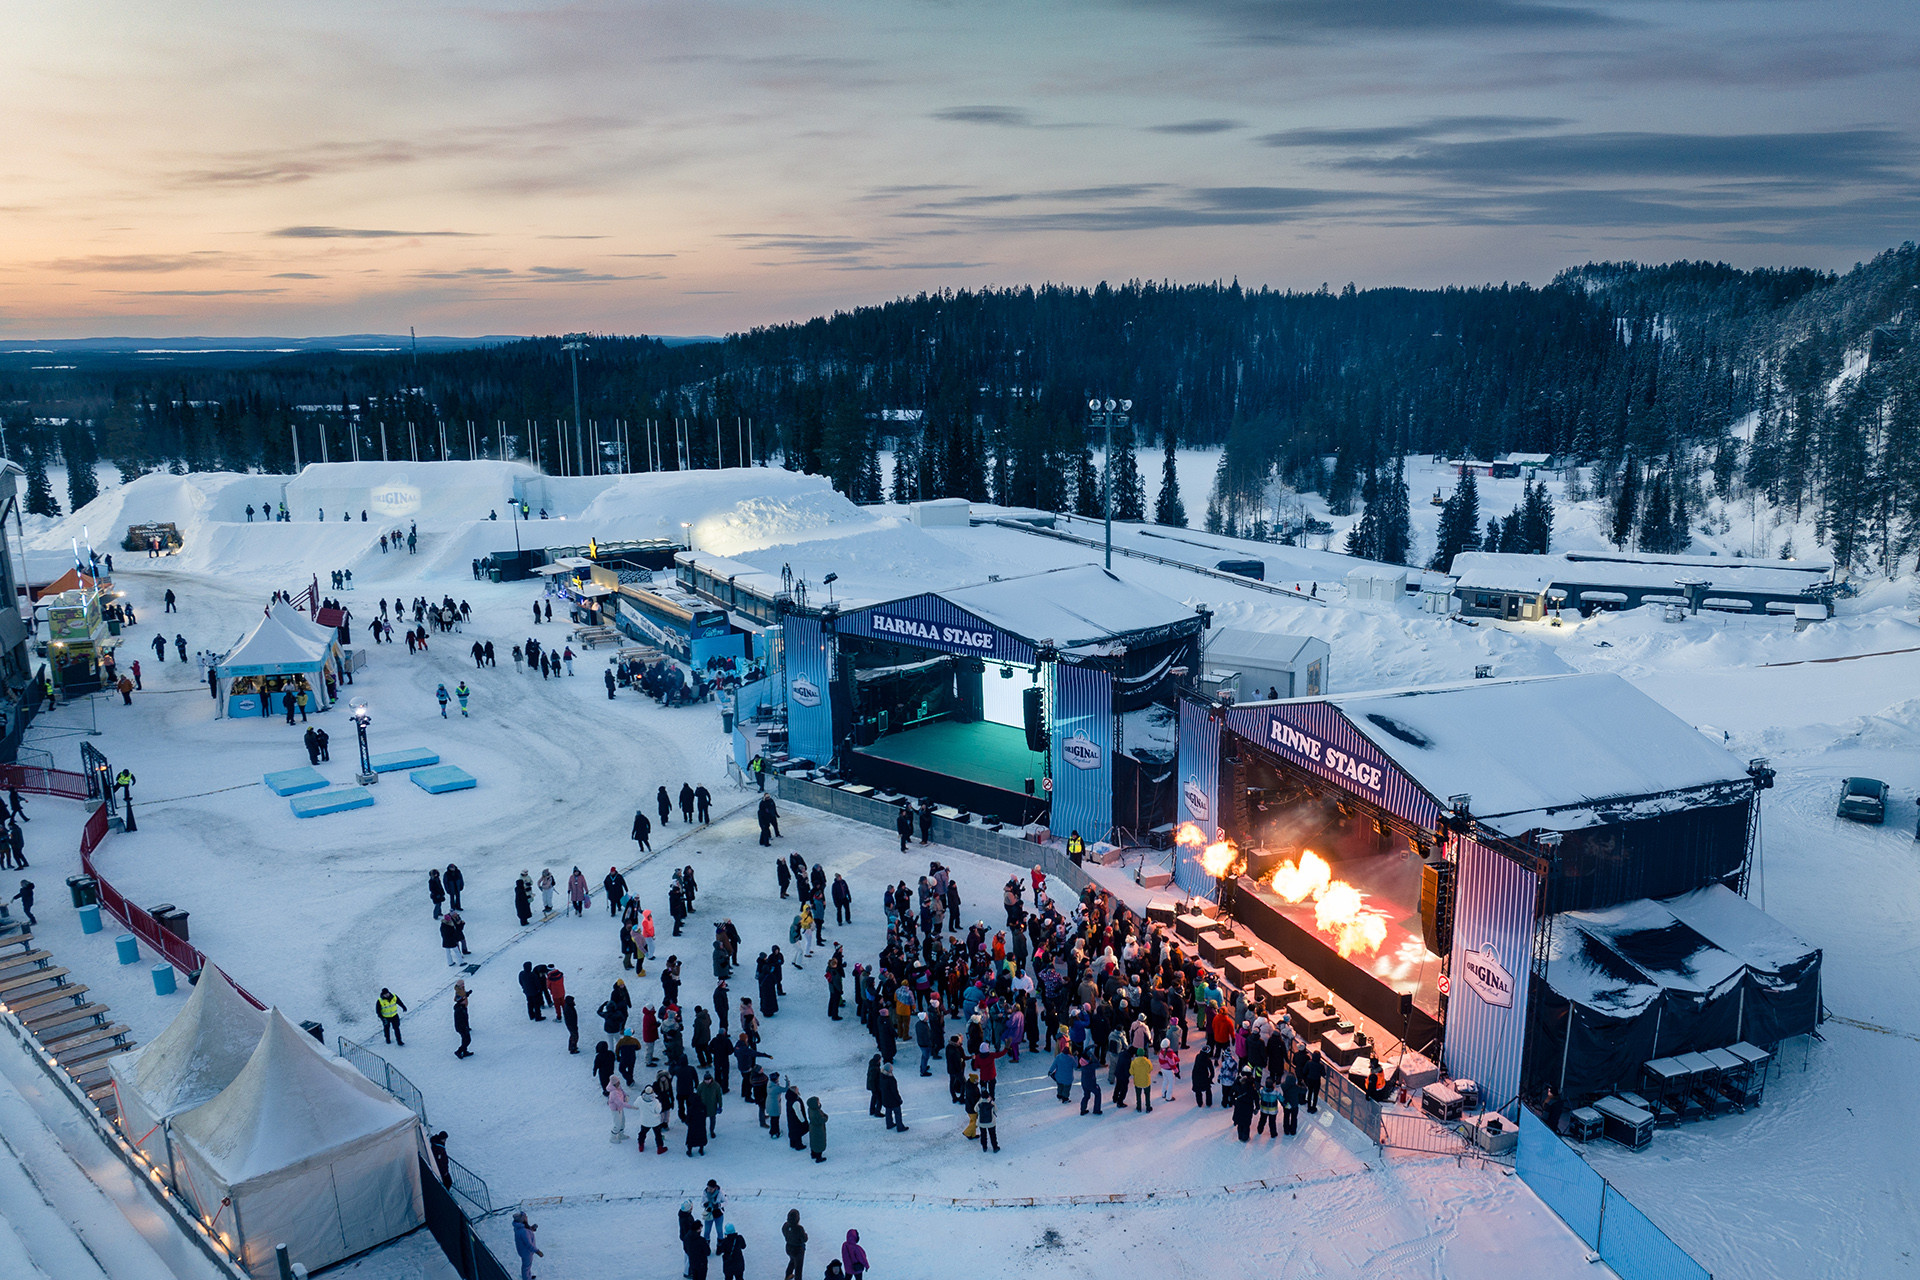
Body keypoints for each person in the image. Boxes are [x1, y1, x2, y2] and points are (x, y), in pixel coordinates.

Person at [512, 1211, 541, 1280]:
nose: (527, 1217)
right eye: (525, 1217)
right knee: (526, 1266)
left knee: (527, 1265)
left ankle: (528, 1277)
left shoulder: (519, 1227)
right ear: (522, 1219)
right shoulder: (523, 1231)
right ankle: (526, 1278)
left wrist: (531, 1228)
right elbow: (528, 1244)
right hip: (526, 1252)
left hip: (524, 1251)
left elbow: (526, 1230)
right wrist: (537, 1251)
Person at [781, 1209, 808, 1279]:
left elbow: (783, 1232)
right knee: (798, 1268)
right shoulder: (799, 1228)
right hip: (798, 1251)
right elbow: (804, 1239)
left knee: (792, 1261)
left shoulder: (785, 1225)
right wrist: (805, 1235)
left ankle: (788, 1276)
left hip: (789, 1248)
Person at [452, 980, 473, 1057]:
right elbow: (461, 1019)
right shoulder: (460, 1010)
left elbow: (463, 996)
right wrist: (465, 1027)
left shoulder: (462, 1007)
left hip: (463, 1026)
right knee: (467, 1039)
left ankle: (464, 1051)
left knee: (465, 1039)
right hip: (461, 1027)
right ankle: (459, 1051)